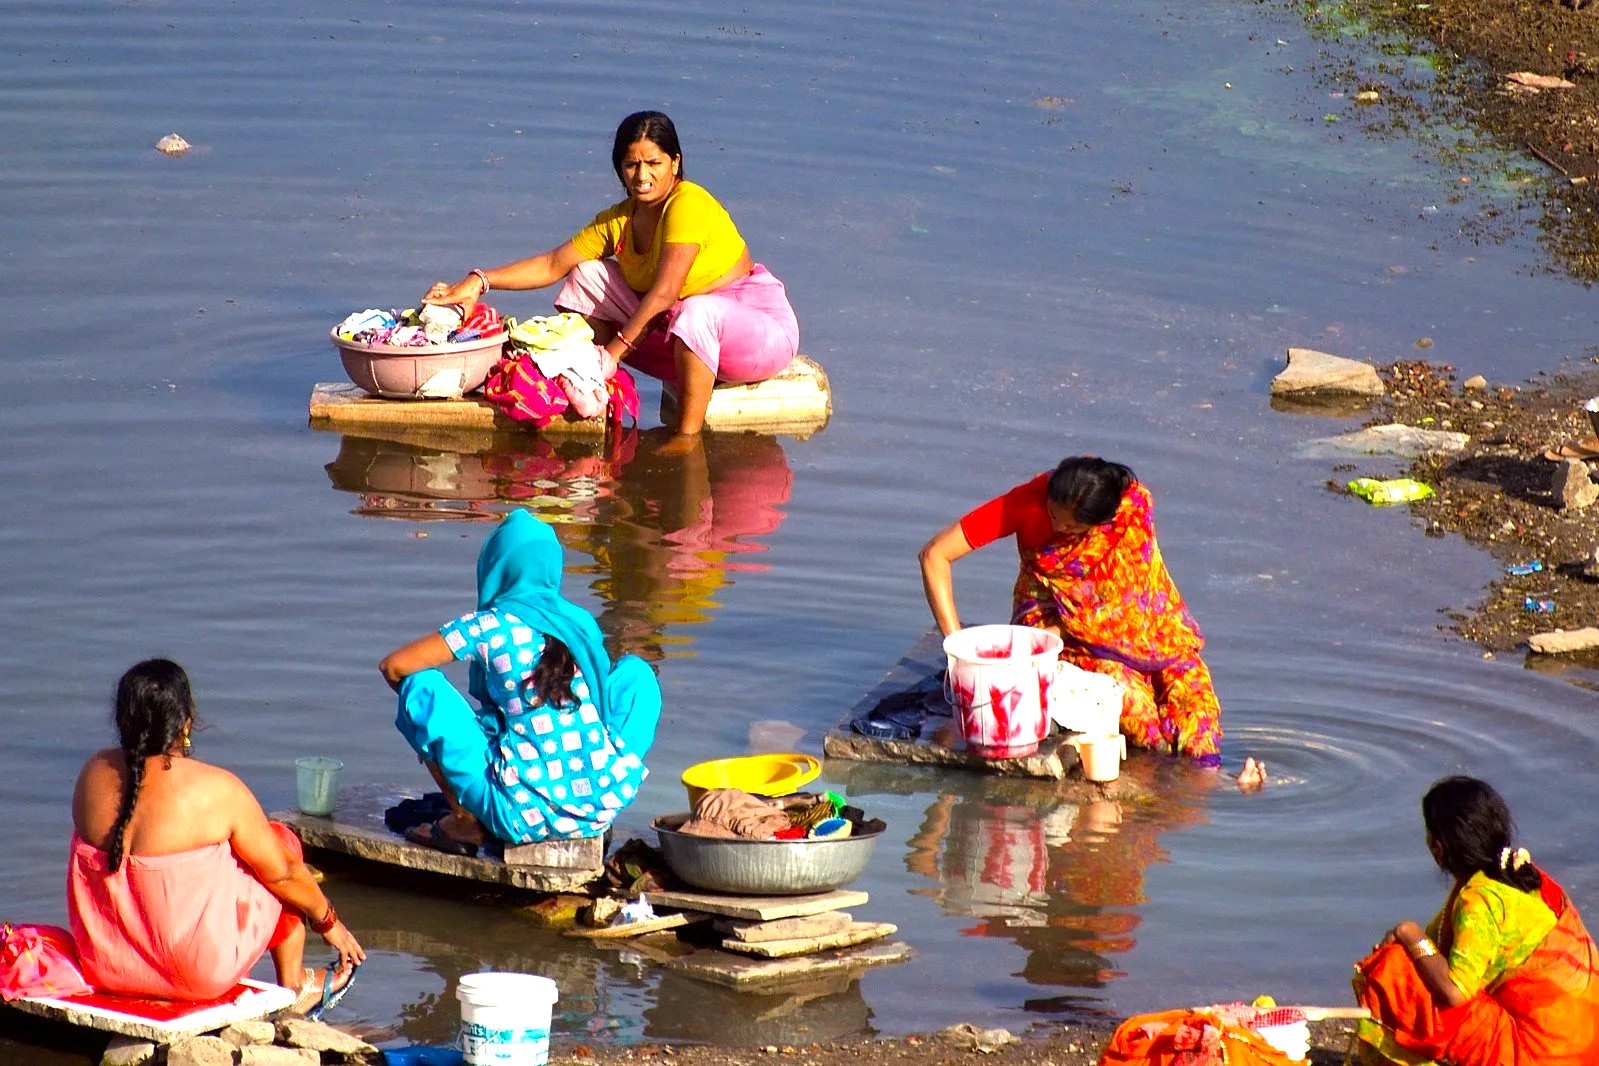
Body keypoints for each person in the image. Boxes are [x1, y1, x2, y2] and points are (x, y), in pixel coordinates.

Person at [422, 110, 800, 453]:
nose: (642, 175)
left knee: (697, 312)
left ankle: (687, 439)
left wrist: (612, 354)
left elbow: (665, 294)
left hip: (758, 334)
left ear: (675, 163)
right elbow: (553, 263)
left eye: (653, 163)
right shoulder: (619, 219)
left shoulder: (689, 204)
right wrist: (478, 281)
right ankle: (593, 387)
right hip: (682, 330)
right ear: (619, 168)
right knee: (587, 275)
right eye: (631, 164)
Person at [919, 455, 1264, 786]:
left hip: (1147, 631)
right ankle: (1178, 780)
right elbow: (934, 555)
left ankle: (1224, 780)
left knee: (1195, 703)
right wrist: (957, 652)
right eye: (1054, 516)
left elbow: (1126, 596)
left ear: (1100, 523)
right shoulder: (1028, 501)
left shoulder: (1128, 510)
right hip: (1055, 628)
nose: (1059, 527)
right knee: (1135, 710)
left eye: (1072, 527)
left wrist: (1082, 624)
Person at [68, 660, 363, 1013]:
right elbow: (283, 872)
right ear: (186, 723)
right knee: (279, 843)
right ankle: (294, 983)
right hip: (195, 978)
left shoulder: (92, 772)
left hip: (105, 967)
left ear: (122, 720)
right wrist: (329, 922)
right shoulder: (216, 789)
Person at [379, 508, 662, 854]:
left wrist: (426, 739)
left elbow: (393, 666)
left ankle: (465, 821)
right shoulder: (580, 622)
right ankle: (587, 783)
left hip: (520, 817)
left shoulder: (489, 624)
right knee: (636, 676)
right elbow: (599, 704)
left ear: (496, 567)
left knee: (420, 687)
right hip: (599, 807)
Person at [1352, 775, 1599, 1065]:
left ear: (1439, 848)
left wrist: (1408, 933)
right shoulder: (1518, 873)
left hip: (1542, 1053)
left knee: (1390, 969)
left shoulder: (1479, 901)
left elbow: (1455, 992)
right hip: (1585, 1044)